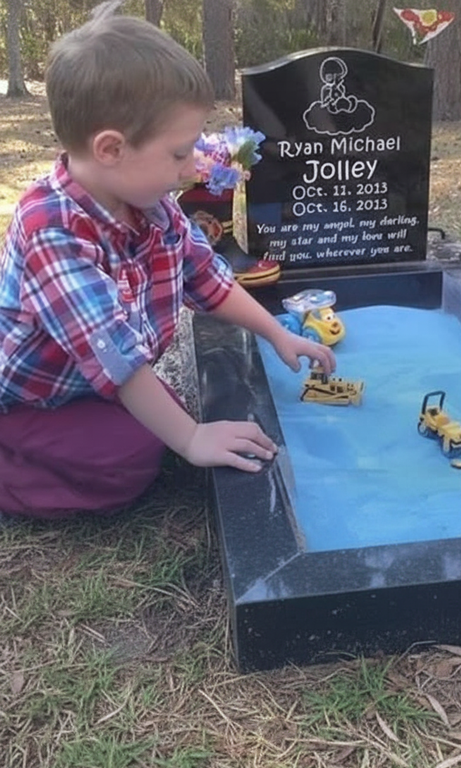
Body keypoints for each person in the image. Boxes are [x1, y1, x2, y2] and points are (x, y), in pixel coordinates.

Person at [0, 7, 335, 521]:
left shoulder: (152, 205)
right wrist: (192, 438)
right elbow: (116, 356)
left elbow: (206, 277)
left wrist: (275, 333)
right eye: (179, 154)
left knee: (165, 421)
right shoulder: (52, 229)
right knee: (129, 459)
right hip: (29, 403)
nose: (191, 167)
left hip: (87, 387)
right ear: (111, 148)